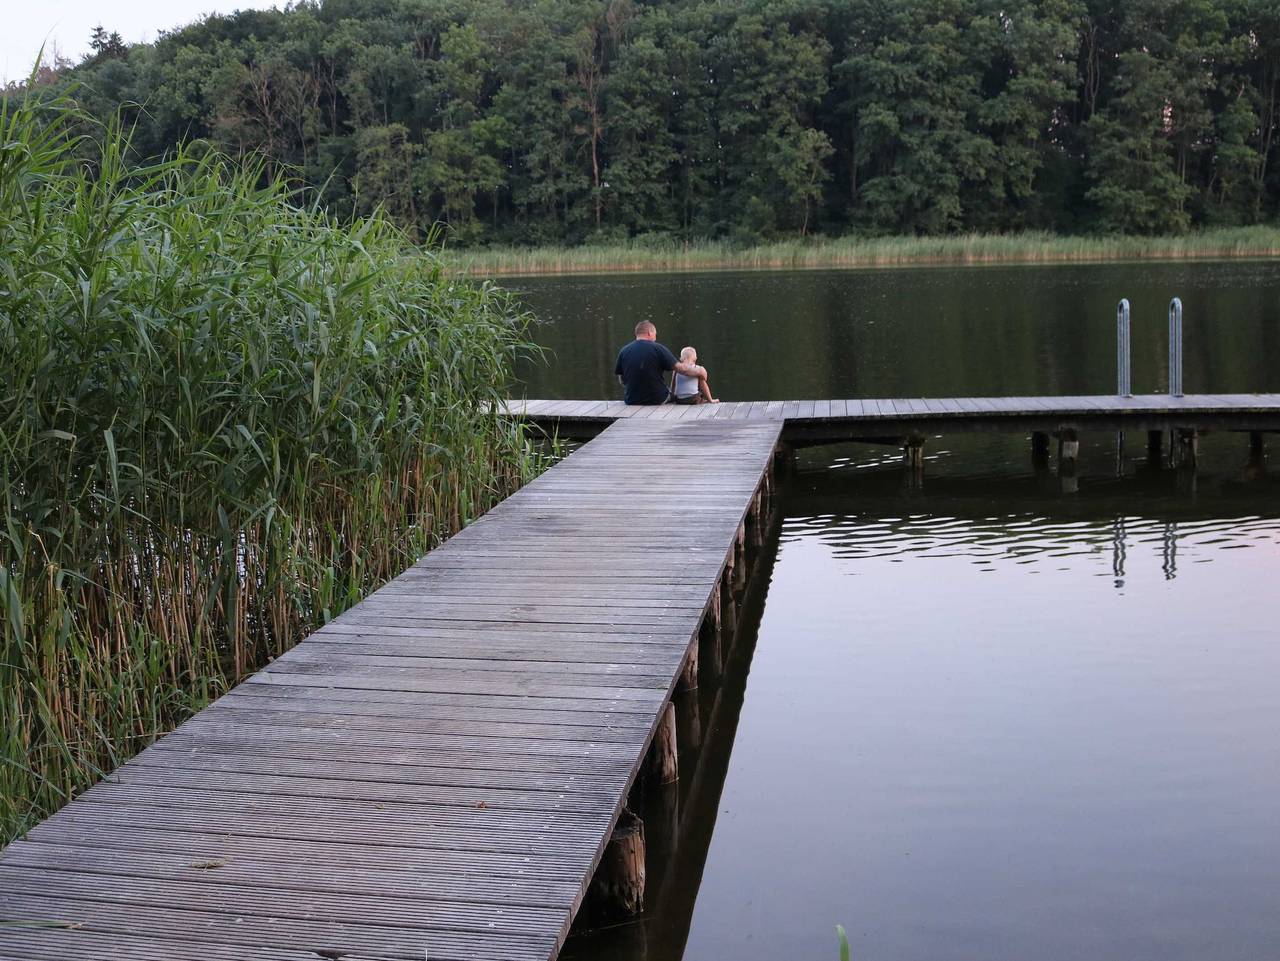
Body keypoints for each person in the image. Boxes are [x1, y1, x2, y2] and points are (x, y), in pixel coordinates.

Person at [614, 320, 706, 405]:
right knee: (679, 394)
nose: (655, 338)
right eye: (655, 334)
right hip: (657, 399)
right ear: (650, 333)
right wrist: (700, 371)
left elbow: (622, 380)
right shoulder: (658, 348)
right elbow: (682, 369)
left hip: (631, 400)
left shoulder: (624, 351)